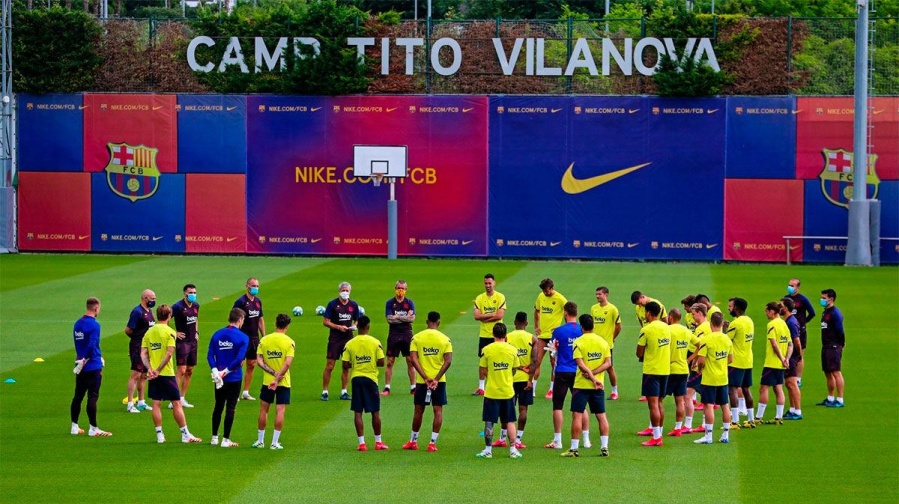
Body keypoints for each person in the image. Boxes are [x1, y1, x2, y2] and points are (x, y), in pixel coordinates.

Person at [141, 304, 201, 444]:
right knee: (176, 403)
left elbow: (143, 353)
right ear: (169, 316)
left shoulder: (149, 332)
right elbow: (169, 354)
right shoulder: (170, 332)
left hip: (153, 374)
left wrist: (150, 369)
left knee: (156, 403)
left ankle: (159, 435)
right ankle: (185, 434)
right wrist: (158, 370)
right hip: (166, 373)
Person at [561, 314, 612, 458]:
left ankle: (574, 449)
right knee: (601, 416)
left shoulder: (578, 342)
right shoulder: (603, 342)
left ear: (581, 327)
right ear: (593, 326)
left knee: (577, 416)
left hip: (582, 385)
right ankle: (604, 447)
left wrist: (590, 375)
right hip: (598, 386)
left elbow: (580, 364)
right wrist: (595, 376)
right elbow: (608, 363)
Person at [404, 311, 453, 452]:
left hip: (421, 381)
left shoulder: (417, 338)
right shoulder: (445, 339)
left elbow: (413, 359)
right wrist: (436, 379)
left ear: (427, 322)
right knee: (438, 410)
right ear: (439, 322)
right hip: (439, 381)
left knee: (418, 410)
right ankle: (432, 443)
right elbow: (448, 361)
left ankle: (413, 441)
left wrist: (425, 378)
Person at [476, 323, 523, 459]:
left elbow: (483, 369)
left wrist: (491, 376)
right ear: (506, 335)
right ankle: (513, 450)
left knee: (489, 421)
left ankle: (488, 450)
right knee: (510, 421)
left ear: (493, 334)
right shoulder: (512, 350)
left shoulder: (486, 349)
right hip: (507, 391)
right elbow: (514, 369)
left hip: (492, 391)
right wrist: (507, 377)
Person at [342, 316, 387, 451]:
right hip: (371, 379)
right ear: (368, 326)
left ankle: (362, 444)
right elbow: (382, 362)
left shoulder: (349, 344)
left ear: (357, 327)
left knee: (358, 411)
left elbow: (345, 364)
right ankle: (378, 442)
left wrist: (357, 363)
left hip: (356, 379)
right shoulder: (375, 342)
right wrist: (370, 362)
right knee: (375, 411)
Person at [207, 308, 249, 448]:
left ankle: (214, 438)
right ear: (240, 320)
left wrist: (216, 372)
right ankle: (225, 440)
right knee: (231, 407)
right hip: (234, 377)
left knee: (218, 405)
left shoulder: (217, 334)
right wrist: (224, 372)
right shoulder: (243, 337)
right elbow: (239, 358)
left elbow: (210, 355)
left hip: (218, 378)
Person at [494, 312, 537, 449]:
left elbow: (503, 357)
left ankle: (502, 438)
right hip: (525, 379)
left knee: (506, 409)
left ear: (514, 322)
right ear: (527, 323)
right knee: (523, 409)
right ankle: (518, 439)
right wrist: (530, 379)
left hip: (510, 379)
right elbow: (534, 361)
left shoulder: (507, 337)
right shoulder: (532, 338)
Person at [253, 313, 296, 449]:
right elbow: (287, 363)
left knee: (263, 410)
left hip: (267, 381)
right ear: (287, 326)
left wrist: (272, 374)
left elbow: (259, 361)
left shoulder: (264, 340)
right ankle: (274, 443)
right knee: (280, 411)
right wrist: (278, 378)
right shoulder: (290, 342)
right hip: (283, 381)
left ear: (275, 323)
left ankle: (260, 441)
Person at [71, 297, 111, 437]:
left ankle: (74, 426)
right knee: (92, 397)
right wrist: (88, 359)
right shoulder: (94, 325)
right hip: (92, 365)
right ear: (96, 308)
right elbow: (92, 344)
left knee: (78, 396)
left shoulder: (77, 323)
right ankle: (93, 428)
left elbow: (79, 344)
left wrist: (80, 360)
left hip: (80, 366)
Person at [544, 302, 581, 450]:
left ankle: (557, 440)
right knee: (580, 406)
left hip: (562, 371)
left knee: (558, 406)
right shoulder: (582, 330)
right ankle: (586, 439)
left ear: (565, 313)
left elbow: (552, 352)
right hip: (578, 371)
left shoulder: (558, 331)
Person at [693, 312, 734, 444]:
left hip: (710, 378)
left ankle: (708, 436)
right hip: (723, 378)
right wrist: (720, 364)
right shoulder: (727, 339)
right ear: (722, 324)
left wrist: (700, 370)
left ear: (711, 323)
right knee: (725, 405)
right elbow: (731, 359)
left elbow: (701, 361)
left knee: (708, 405)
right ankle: (725, 435)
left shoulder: (706, 340)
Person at [635, 302, 671, 447]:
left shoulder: (646, 329)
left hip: (651, 370)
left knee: (653, 405)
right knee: (660, 402)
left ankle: (656, 437)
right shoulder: (667, 327)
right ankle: (659, 434)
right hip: (665, 369)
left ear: (649, 313)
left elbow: (639, 352)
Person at [321, 282, 359, 401]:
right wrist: (338, 327)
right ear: (339, 291)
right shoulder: (332, 304)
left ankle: (344, 391)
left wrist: (354, 326)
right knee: (330, 366)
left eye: (347, 290)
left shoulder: (353, 305)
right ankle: (325, 391)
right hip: (335, 339)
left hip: (348, 338)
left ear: (350, 292)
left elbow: (357, 320)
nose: (345, 292)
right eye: (343, 290)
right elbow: (325, 321)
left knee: (346, 365)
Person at [756, 301, 793, 425]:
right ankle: (778, 417)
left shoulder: (772, 324)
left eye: (766, 311)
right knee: (778, 388)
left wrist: (782, 358)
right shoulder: (784, 324)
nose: (766, 314)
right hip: (781, 365)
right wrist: (787, 359)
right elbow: (790, 344)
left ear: (772, 311)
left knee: (763, 388)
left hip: (772, 363)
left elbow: (774, 343)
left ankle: (758, 418)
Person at [472, 273, 506, 395]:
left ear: (494, 283)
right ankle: (481, 387)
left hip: (498, 335)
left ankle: (500, 384)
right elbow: (476, 316)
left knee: (500, 360)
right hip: (484, 335)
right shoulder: (479, 298)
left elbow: (499, 315)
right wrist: (492, 314)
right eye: (486, 283)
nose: (487, 285)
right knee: (482, 361)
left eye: (489, 283)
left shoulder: (500, 297)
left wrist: (484, 317)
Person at [533, 278, 567, 399]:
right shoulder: (541, 296)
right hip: (542, 336)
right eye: (543, 291)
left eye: (546, 291)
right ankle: (532, 389)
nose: (545, 293)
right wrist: (536, 326)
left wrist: (563, 328)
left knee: (554, 363)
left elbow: (569, 314)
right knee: (536, 361)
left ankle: (552, 389)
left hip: (554, 337)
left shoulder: (560, 299)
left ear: (552, 288)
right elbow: (536, 311)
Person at [665, 308, 697, 437]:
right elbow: (700, 345)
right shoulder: (687, 331)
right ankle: (678, 428)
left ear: (671, 317)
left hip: (670, 369)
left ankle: (654, 428)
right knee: (679, 400)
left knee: (657, 400)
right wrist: (689, 359)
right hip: (683, 369)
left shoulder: (668, 330)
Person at [631, 290, 667, 402]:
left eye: (640, 302)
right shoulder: (638, 309)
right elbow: (641, 323)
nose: (639, 305)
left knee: (654, 363)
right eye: (637, 304)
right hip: (647, 337)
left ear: (643, 296)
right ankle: (649, 393)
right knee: (647, 362)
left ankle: (653, 393)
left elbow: (666, 321)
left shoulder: (658, 305)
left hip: (658, 337)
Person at [233, 277, 265, 401]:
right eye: (253, 286)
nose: (255, 288)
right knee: (238, 364)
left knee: (252, 364)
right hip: (242, 338)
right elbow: (234, 320)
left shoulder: (258, 302)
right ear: (247, 286)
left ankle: (245, 392)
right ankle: (234, 393)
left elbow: (260, 319)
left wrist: (264, 336)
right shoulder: (240, 302)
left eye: (257, 286)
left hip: (254, 338)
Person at [727, 297, 757, 427]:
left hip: (736, 362)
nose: (728, 308)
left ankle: (735, 421)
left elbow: (726, 340)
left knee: (732, 389)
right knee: (746, 389)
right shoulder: (749, 320)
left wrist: (724, 329)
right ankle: (751, 420)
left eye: (730, 306)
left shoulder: (736, 323)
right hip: (748, 360)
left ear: (736, 308)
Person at [382, 280, 416, 396]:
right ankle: (387, 387)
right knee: (390, 361)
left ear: (406, 290)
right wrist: (405, 317)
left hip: (407, 333)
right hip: (394, 334)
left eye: (402, 288)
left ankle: (413, 388)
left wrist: (397, 317)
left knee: (410, 361)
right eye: (398, 288)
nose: (400, 290)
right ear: (395, 288)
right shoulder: (390, 303)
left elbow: (412, 319)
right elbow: (389, 320)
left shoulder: (410, 303)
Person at [125, 289, 155, 413]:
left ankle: (141, 402)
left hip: (147, 348)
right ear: (145, 298)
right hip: (138, 347)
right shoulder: (137, 312)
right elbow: (128, 330)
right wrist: (137, 339)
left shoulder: (149, 311)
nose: (154, 301)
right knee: (135, 374)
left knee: (144, 375)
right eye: (152, 298)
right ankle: (130, 404)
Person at [171, 283, 200, 409]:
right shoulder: (177, 307)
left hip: (193, 342)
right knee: (181, 370)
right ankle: (174, 399)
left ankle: (182, 398)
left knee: (189, 370)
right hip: (182, 343)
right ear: (184, 293)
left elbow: (195, 319)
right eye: (190, 293)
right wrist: (174, 333)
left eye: (194, 293)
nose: (193, 295)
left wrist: (196, 332)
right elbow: (165, 319)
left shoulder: (196, 306)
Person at [684, 302, 711, 432]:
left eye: (693, 314)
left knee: (687, 395)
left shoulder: (701, 329)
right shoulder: (709, 325)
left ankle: (688, 425)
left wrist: (691, 360)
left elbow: (700, 346)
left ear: (700, 313)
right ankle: (704, 425)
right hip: (709, 366)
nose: (692, 317)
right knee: (705, 396)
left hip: (699, 367)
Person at [590, 286, 621, 399]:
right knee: (593, 365)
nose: (597, 296)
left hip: (607, 345)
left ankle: (614, 391)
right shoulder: (594, 308)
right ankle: (594, 387)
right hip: (594, 343)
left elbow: (618, 326)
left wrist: (612, 337)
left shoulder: (612, 309)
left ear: (606, 295)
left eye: (600, 294)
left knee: (609, 368)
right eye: (596, 294)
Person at [816, 289, 845, 408]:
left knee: (836, 372)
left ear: (831, 299)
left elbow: (840, 330)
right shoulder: (826, 312)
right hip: (826, 346)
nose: (822, 300)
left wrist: (841, 344)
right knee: (827, 372)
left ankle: (840, 399)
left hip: (833, 346)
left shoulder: (835, 313)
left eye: (824, 298)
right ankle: (830, 398)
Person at [786, 278, 816, 387]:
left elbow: (812, 313)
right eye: (789, 285)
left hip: (800, 331)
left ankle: (798, 379)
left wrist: (803, 322)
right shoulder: (786, 298)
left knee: (799, 354)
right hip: (788, 330)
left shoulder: (802, 299)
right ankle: (789, 374)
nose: (790, 287)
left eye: (792, 285)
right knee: (787, 351)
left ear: (798, 287)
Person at [781, 297, 803, 420]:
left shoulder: (791, 322)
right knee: (789, 384)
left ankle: (798, 411)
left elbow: (797, 341)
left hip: (791, 356)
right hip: (790, 356)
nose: (779, 308)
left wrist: (798, 355)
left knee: (792, 383)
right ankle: (792, 409)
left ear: (786, 308)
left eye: (781, 306)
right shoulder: (789, 320)